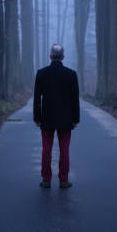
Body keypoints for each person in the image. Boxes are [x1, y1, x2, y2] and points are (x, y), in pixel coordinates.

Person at [33, 44, 80, 188]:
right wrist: (76, 118)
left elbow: (37, 98)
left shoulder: (42, 73)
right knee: (64, 150)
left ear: (50, 56)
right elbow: (75, 99)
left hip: (46, 118)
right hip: (66, 119)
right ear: (63, 57)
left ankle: (46, 179)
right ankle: (63, 180)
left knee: (46, 149)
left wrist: (37, 117)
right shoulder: (71, 74)